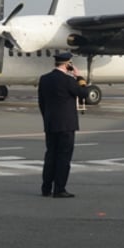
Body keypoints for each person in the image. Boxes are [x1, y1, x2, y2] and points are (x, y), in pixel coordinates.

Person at [38, 51, 90, 198]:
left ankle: (46, 188)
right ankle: (59, 189)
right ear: (68, 64)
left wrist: (47, 118)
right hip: (66, 124)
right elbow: (84, 93)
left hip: (50, 123)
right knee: (63, 157)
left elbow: (41, 103)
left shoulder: (44, 79)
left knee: (50, 156)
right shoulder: (68, 81)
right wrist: (79, 77)